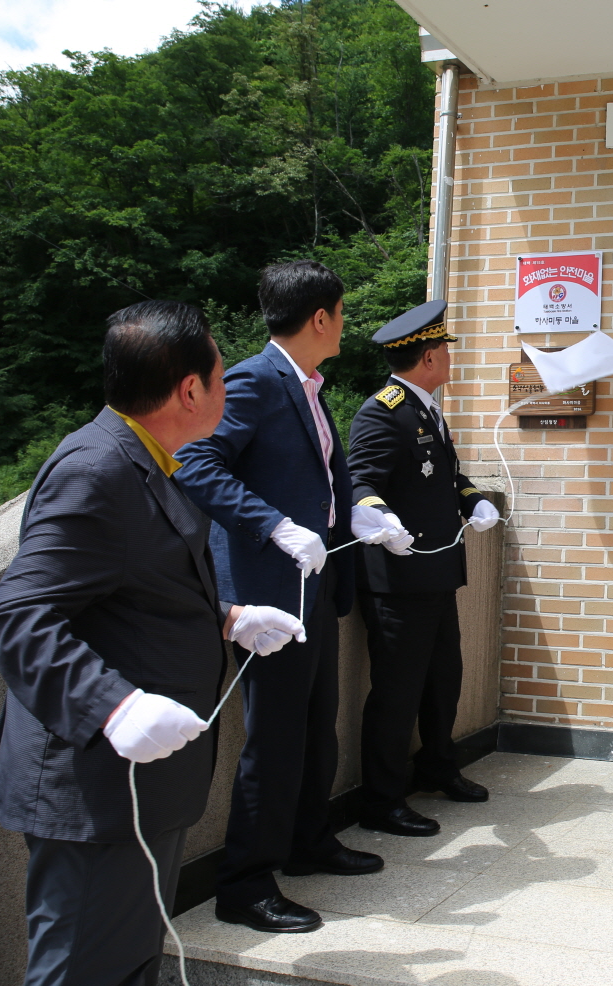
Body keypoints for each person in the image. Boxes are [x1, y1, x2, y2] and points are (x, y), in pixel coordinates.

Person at [0, 301, 304, 986]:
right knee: (83, 971)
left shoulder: (149, 457)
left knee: (128, 965)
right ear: (189, 390)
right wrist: (114, 705)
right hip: (95, 790)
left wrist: (228, 617)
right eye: (219, 376)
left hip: (142, 785)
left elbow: (131, 585)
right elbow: (17, 614)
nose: (225, 387)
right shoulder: (97, 468)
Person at [178, 261, 407, 933]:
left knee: (315, 726)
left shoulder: (307, 384)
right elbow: (195, 463)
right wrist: (273, 525)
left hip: (315, 585)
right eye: (341, 313)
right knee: (275, 740)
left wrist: (357, 514)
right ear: (320, 317)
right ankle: (244, 884)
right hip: (268, 594)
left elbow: (323, 479)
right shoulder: (255, 380)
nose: (344, 324)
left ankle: (308, 840)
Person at [345, 300, 498, 836]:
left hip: (435, 574)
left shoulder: (428, 409)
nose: (450, 359)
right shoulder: (382, 411)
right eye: (445, 351)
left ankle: (437, 765)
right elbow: (360, 482)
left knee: (442, 681)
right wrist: (379, 516)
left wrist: (475, 501)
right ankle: (382, 801)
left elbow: (447, 476)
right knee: (397, 693)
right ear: (429, 357)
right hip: (398, 578)